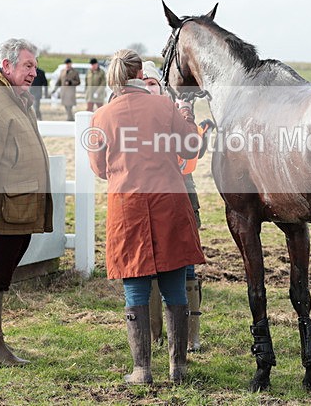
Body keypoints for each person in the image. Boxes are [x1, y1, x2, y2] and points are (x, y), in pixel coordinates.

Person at [88, 49, 205, 384]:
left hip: (128, 209)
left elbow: (98, 168)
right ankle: (178, 368)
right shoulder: (164, 106)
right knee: (174, 287)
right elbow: (189, 149)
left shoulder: (102, 116)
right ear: (140, 74)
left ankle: (142, 369)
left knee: (135, 288)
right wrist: (185, 115)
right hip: (169, 203)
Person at [0, 38, 54, 365]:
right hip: (0, 214)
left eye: (34, 66)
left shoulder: (13, 98)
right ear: (7, 66)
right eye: (27, 66)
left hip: (15, 209)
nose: (34, 72)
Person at [141, 61, 206, 353]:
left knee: (186, 266)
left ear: (161, 87)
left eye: (152, 83)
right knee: (150, 268)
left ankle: (190, 336)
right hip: (148, 200)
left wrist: (186, 115)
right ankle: (155, 334)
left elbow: (193, 149)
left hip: (181, 196)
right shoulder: (136, 116)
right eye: (142, 83)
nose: (148, 88)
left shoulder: (174, 112)